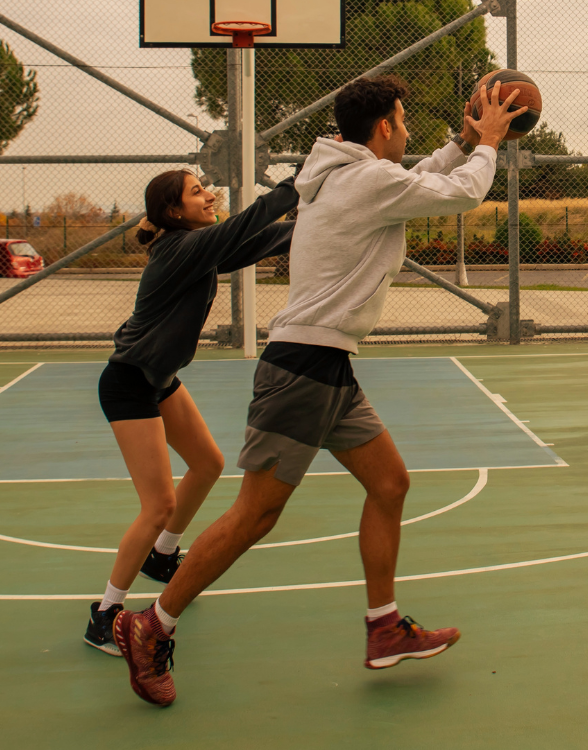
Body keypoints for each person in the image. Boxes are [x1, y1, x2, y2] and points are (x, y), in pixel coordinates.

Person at [114, 74, 528, 706]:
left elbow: (422, 176)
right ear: (384, 127)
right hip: (303, 368)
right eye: (404, 118)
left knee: (390, 483)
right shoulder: (366, 181)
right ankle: (151, 624)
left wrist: (461, 138)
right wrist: (489, 144)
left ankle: (384, 626)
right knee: (256, 513)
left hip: (329, 366)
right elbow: (459, 193)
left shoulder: (354, 173)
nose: (408, 129)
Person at [82, 170, 299, 655]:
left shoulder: (197, 247)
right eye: (197, 192)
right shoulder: (179, 249)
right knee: (157, 505)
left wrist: (326, 221)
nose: (210, 195)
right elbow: (247, 226)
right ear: (174, 212)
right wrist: (297, 183)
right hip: (129, 384)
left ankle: (162, 558)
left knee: (208, 464)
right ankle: (104, 614)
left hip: (158, 380)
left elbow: (262, 240)